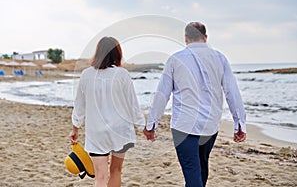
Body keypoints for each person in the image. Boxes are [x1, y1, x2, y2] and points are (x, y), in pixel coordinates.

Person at [143, 22, 246, 187]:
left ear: (186, 39)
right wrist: (239, 122)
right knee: (200, 168)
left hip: (183, 125)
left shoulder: (175, 59)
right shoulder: (220, 58)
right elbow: (232, 92)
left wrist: (151, 123)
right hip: (210, 126)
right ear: (205, 37)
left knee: (193, 171)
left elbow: (162, 94)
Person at [69, 37, 145, 187]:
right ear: (117, 54)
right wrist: (143, 127)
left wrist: (75, 128)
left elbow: (79, 105)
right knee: (116, 171)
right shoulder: (122, 74)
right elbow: (133, 105)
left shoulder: (86, 75)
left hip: (96, 132)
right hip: (119, 130)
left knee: (100, 177)